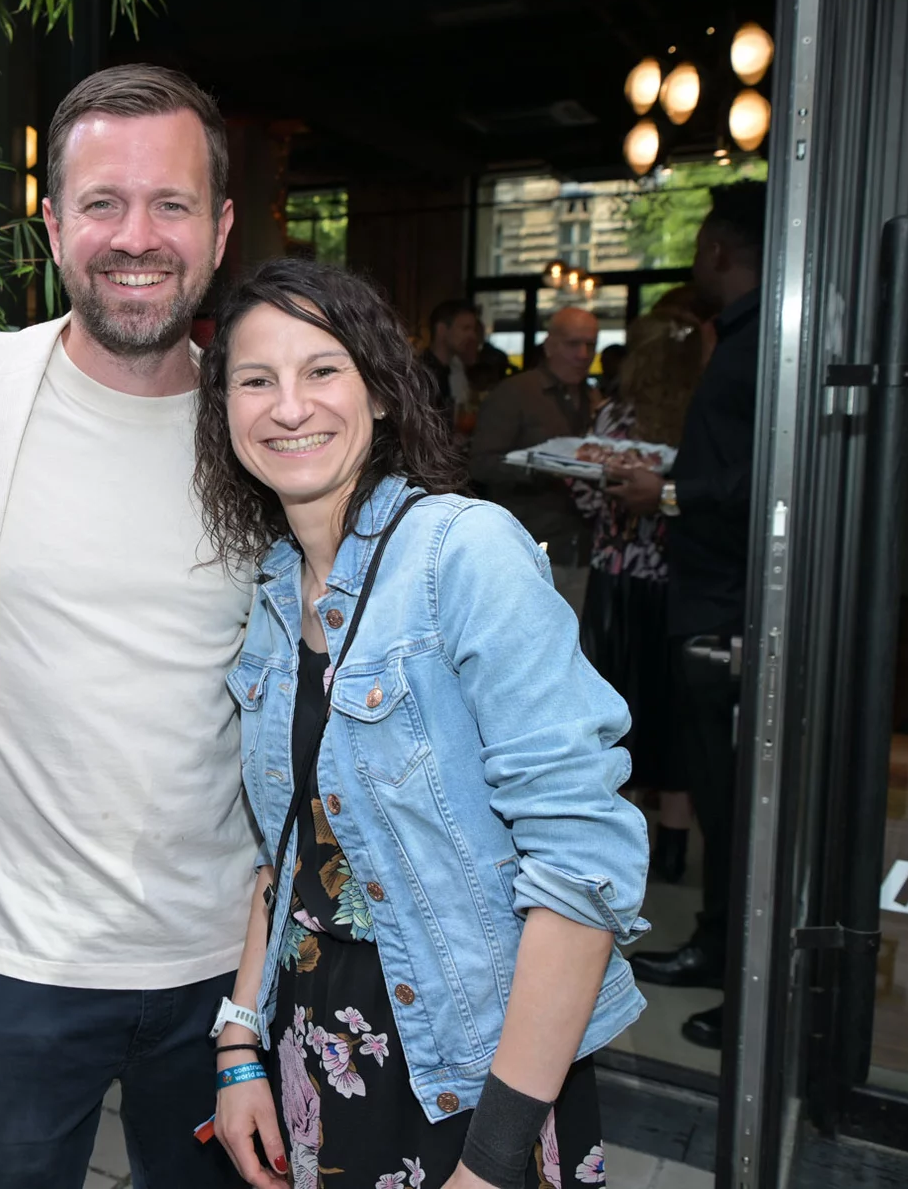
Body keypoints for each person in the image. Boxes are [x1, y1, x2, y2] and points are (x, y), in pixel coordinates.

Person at [0, 64, 251, 1188]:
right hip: (13, 960)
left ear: (220, 228)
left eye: (171, 203)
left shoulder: (265, 429)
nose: (136, 237)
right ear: (50, 225)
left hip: (226, 965)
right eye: (102, 203)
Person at [197, 259, 648, 1189]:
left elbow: (582, 865)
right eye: (256, 379)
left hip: (479, 1065)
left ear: (380, 390)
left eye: (322, 369)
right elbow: (286, 849)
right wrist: (240, 1043)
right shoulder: (277, 589)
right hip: (320, 1041)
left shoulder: (463, 553)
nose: (289, 406)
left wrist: (494, 1155)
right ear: (225, 412)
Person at [605, 182, 768, 1052]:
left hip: (731, 601)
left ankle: (747, 973)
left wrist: (666, 492)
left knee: (736, 800)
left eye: (703, 239)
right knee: (712, 788)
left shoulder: (762, 344)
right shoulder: (736, 339)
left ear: (721, 249)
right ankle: (716, 941)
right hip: (706, 591)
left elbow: (759, 479)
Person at [570, 299, 707, 884]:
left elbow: (585, 497)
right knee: (675, 713)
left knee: (614, 710)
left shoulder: (615, 420)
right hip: (681, 583)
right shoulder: (701, 418)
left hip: (620, 580)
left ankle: (616, 851)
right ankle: (674, 846)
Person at [469, 306, 601, 611]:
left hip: (584, 548)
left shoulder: (593, 397)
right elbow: (480, 464)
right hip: (529, 547)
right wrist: (540, 468)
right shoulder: (515, 393)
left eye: (590, 345)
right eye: (573, 344)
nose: (583, 354)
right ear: (550, 345)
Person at [420, 298, 483, 434]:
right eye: (465, 328)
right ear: (442, 330)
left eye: (473, 330)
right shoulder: (423, 374)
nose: (472, 336)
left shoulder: (450, 369)